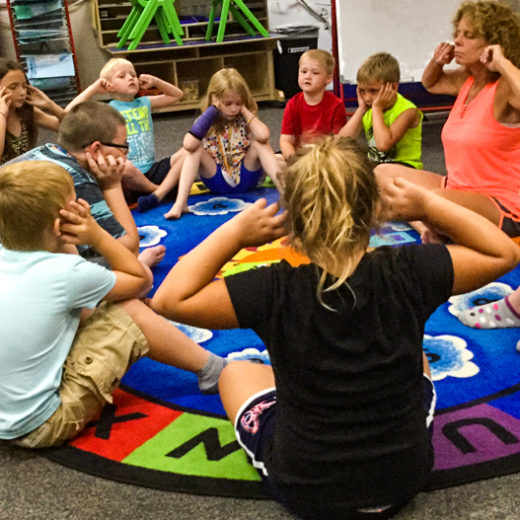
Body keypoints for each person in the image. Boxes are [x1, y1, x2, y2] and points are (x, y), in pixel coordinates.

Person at [151, 135, 520, 520]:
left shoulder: (272, 288)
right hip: (404, 476)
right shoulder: (411, 269)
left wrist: (234, 233)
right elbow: (503, 252)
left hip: (307, 485)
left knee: (236, 372)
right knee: (421, 362)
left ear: (291, 220)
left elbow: (169, 299)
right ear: (375, 212)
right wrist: (430, 205)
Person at [0, 161, 227, 448]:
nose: (83, 204)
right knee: (128, 309)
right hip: (43, 423)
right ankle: (213, 369)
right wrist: (96, 234)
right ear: (61, 225)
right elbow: (140, 280)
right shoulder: (66, 274)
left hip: (6, 415)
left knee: (92, 304)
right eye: (75, 201)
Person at [374, 0, 520, 243]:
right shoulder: (467, 81)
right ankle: (430, 230)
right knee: (383, 173)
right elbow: (430, 83)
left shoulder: (505, 88)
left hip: (500, 203)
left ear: (495, 43)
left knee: (429, 200)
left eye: (469, 35)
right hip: (455, 188)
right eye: (457, 34)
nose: (458, 41)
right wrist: (439, 60)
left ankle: (437, 220)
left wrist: (503, 63)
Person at [3, 101, 165, 270]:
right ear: (96, 150)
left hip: (11, 255)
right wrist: (112, 185)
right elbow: (128, 245)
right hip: (17, 271)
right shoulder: (76, 178)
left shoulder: (48, 149)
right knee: (132, 264)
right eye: (123, 146)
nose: (127, 153)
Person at [163, 67, 282, 220]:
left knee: (260, 144)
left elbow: (264, 136)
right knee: (195, 150)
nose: (234, 109)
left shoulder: (246, 117)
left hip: (246, 177)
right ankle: (181, 203)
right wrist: (211, 111)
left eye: (238, 103)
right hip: (217, 179)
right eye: (228, 103)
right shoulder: (206, 121)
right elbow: (189, 145)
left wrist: (246, 110)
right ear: (215, 99)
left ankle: (284, 191)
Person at [66, 58, 183, 211]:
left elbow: (177, 95)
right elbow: (68, 113)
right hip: (126, 176)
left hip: (150, 168)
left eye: (133, 75)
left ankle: (157, 190)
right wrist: (94, 88)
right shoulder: (108, 110)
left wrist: (155, 81)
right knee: (125, 166)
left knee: (187, 152)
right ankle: (159, 191)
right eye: (122, 76)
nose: (130, 78)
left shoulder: (145, 102)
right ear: (109, 86)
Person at [339, 52, 423, 169]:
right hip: (377, 167)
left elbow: (383, 145)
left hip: (405, 168)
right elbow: (341, 142)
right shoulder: (368, 108)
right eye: (362, 91)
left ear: (393, 87)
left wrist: (377, 109)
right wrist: (361, 109)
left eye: (373, 91)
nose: (367, 98)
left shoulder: (408, 111)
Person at [279, 49, 346, 160]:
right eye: (303, 72)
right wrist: (295, 161)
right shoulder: (292, 104)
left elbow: (338, 142)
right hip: (299, 157)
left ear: (329, 78)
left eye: (315, 73)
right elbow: (285, 140)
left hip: (325, 156)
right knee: (275, 159)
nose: (308, 76)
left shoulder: (336, 105)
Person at [0, 58, 65, 164]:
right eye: (13, 87)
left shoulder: (24, 112)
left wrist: (50, 105)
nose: (22, 92)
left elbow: (67, 128)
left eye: (24, 86)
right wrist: (2, 115)